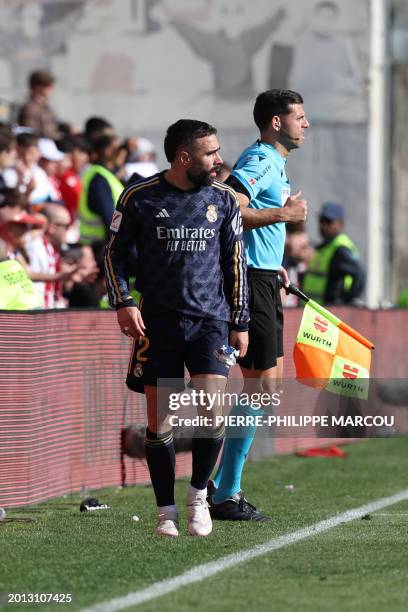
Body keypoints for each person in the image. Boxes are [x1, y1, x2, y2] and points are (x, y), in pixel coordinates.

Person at [105, 119, 249, 538]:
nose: (220, 160)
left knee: (210, 407)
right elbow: (113, 254)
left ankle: (199, 496)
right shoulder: (139, 197)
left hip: (211, 322)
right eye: (211, 153)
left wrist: (239, 320)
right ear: (185, 157)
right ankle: (165, 510)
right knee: (160, 420)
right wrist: (124, 302)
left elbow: (234, 262)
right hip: (159, 323)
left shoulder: (223, 200)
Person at [208, 89, 309, 520]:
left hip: (263, 276)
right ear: (275, 122)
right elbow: (230, 205)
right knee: (262, 387)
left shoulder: (276, 163)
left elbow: (255, 220)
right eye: (299, 117)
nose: (306, 124)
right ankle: (224, 492)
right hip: (249, 279)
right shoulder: (262, 159)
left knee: (265, 389)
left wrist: (275, 264)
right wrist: (284, 217)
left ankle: (220, 487)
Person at [302, 201, 365, 305]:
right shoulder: (323, 247)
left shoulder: (340, 249)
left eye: (329, 221)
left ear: (340, 224)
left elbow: (360, 275)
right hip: (315, 312)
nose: (324, 225)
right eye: (322, 221)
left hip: (330, 312)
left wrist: (345, 302)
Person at [78, 134, 124, 245]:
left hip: (99, 244)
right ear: (108, 151)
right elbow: (110, 218)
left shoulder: (103, 175)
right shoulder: (100, 179)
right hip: (100, 246)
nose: (123, 153)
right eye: (119, 149)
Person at [17, 70, 61, 140]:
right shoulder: (31, 108)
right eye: (47, 85)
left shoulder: (44, 106)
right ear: (36, 87)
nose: (51, 88)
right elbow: (31, 133)